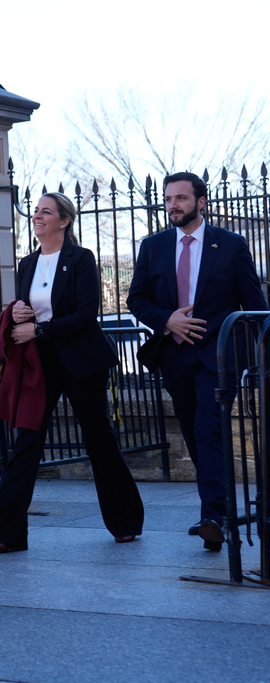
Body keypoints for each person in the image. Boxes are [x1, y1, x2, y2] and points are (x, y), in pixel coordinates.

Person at [0, 192, 145, 552]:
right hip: (37, 364)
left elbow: (86, 315)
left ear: (64, 221)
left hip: (81, 362)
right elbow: (25, 308)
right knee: (26, 442)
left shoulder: (82, 259)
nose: (37, 216)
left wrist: (38, 329)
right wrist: (20, 315)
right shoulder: (26, 263)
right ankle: (7, 533)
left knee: (98, 438)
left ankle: (125, 521)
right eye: (36, 211)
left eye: (46, 212)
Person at [127, 172, 268, 551]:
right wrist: (166, 318)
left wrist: (260, 357)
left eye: (181, 198)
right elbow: (136, 299)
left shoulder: (231, 244)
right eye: (168, 198)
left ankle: (214, 517)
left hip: (218, 355)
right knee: (192, 430)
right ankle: (214, 516)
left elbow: (255, 306)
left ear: (200, 202)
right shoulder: (153, 246)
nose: (172, 204)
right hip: (174, 354)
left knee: (209, 428)